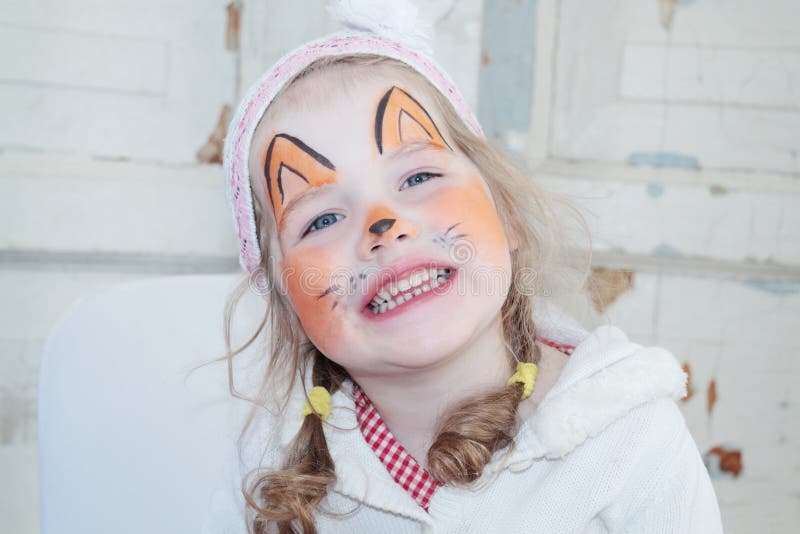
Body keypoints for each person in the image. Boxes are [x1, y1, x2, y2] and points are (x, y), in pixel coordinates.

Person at [203, 1, 723, 532]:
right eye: (322, 220)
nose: (383, 226)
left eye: (417, 178)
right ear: (285, 304)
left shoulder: (628, 435)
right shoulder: (270, 462)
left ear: (509, 214)